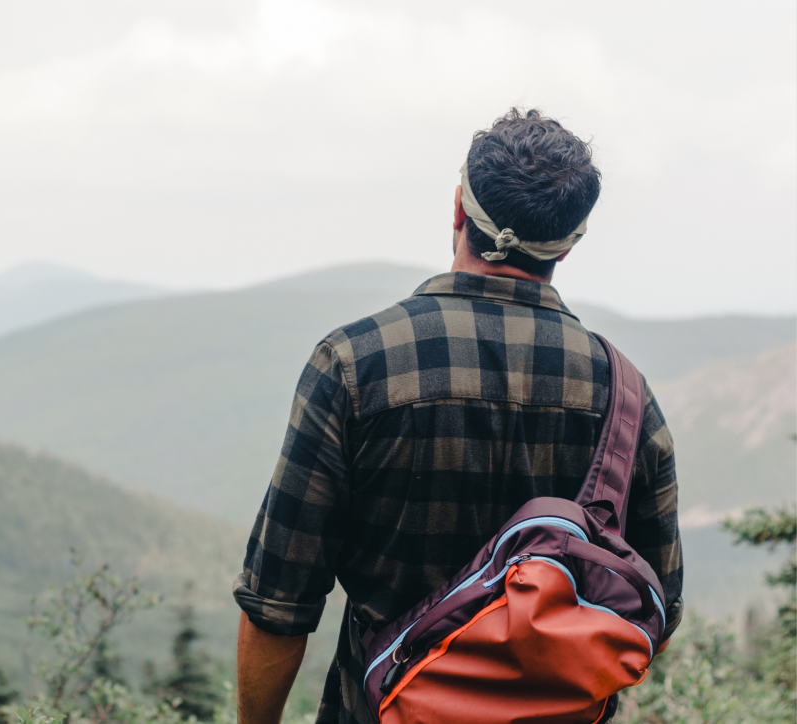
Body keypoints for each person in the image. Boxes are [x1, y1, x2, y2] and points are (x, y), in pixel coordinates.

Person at [233, 108, 683, 724]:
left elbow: (278, 605)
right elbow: (658, 603)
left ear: (457, 210)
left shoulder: (354, 365)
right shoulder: (626, 393)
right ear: (571, 241)